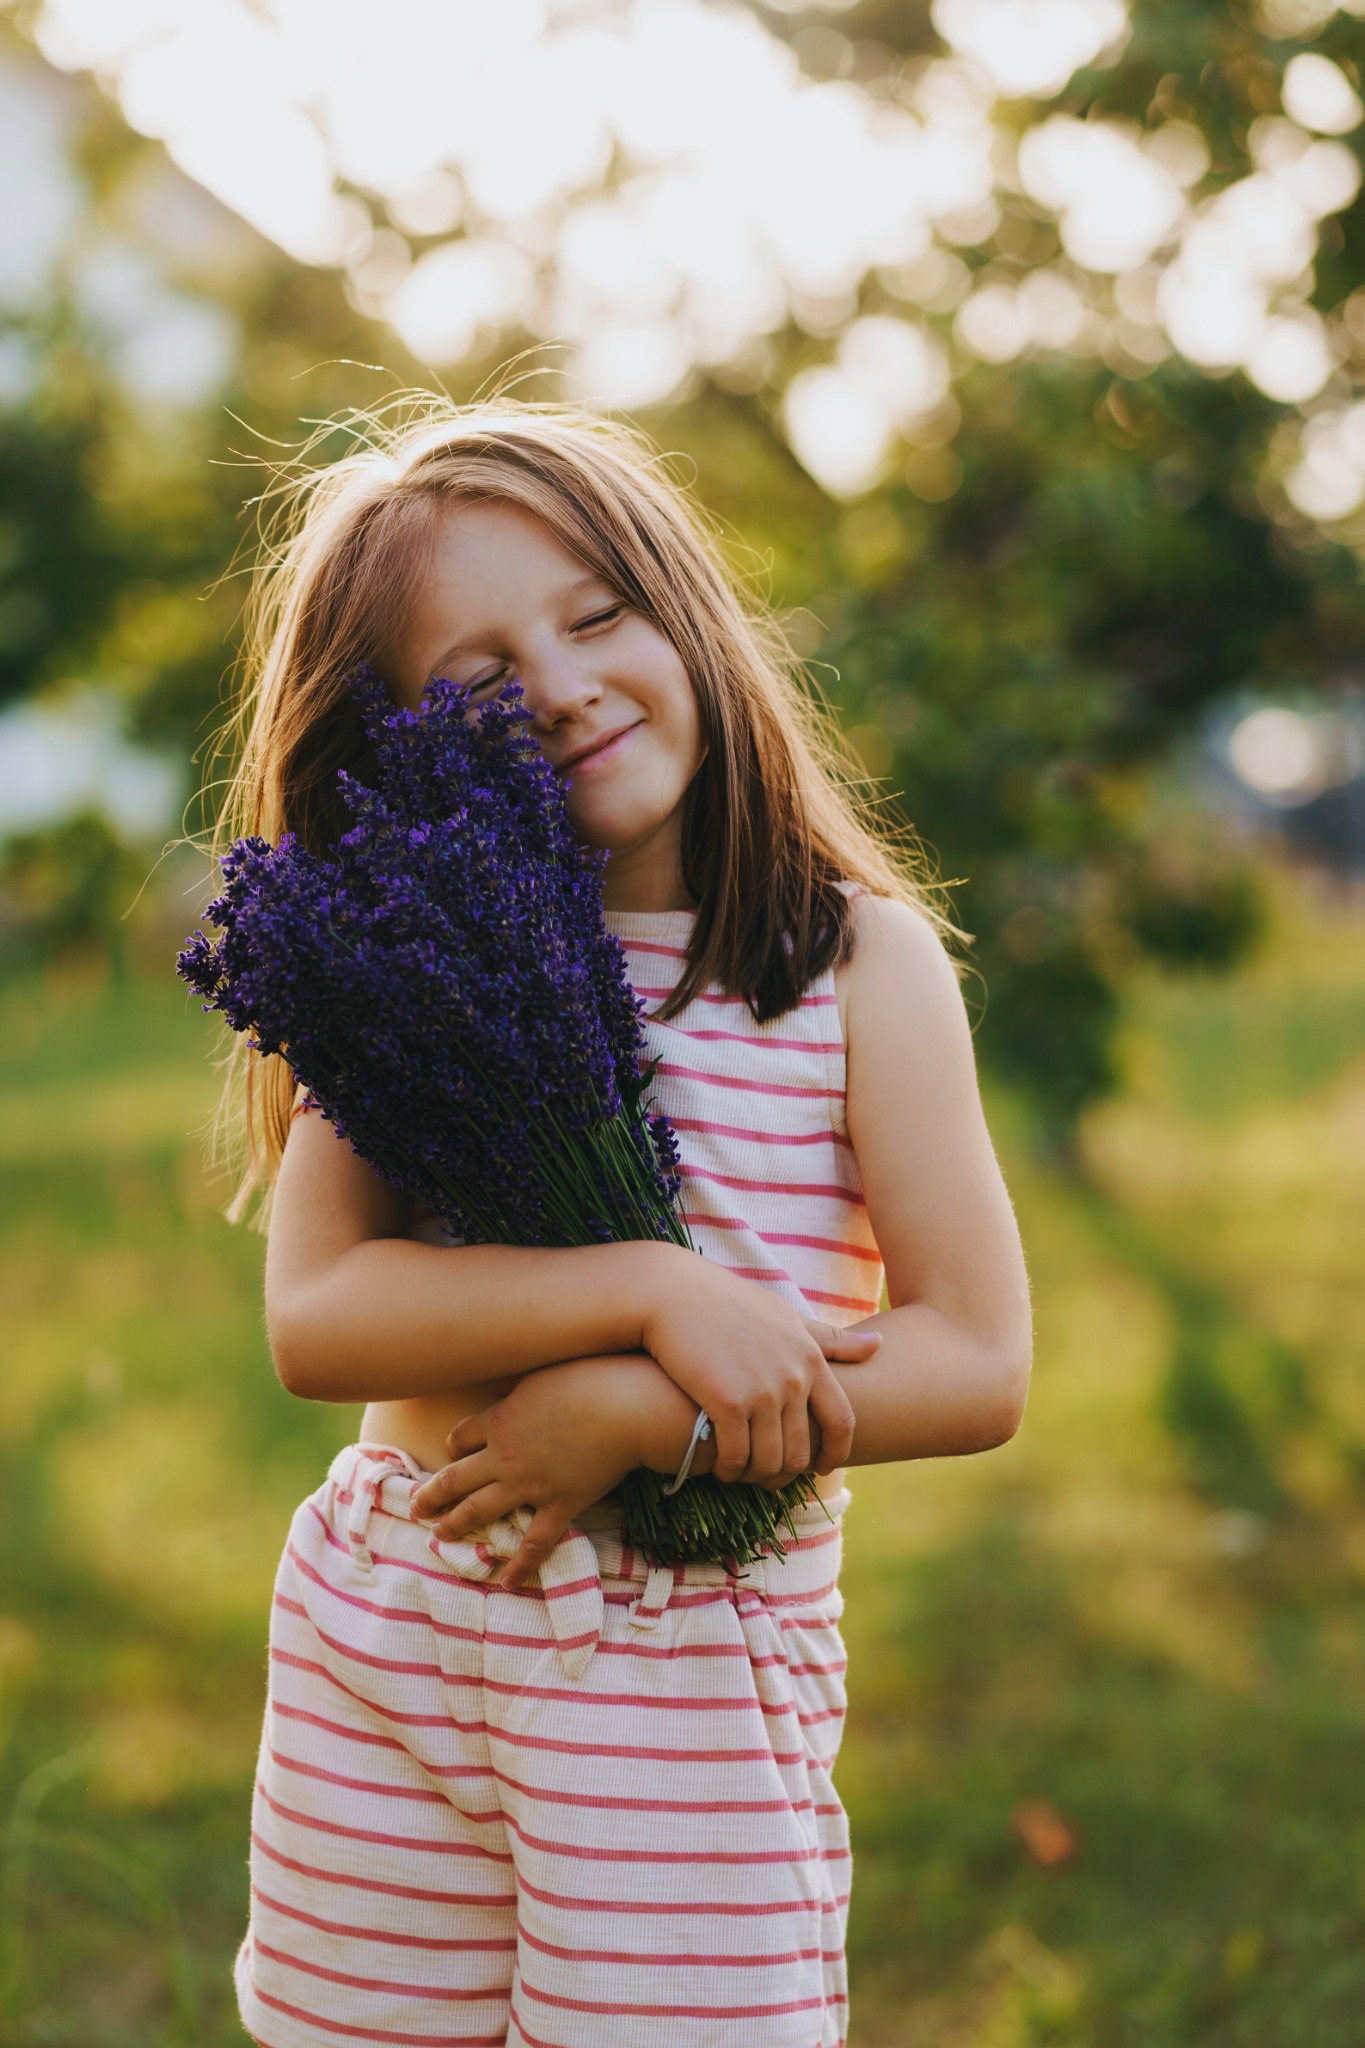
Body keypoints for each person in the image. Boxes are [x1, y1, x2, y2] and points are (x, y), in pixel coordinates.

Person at [214, 399, 1032, 2048]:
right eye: (480, 683)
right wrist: (649, 1284)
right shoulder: (401, 965)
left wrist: (637, 1412)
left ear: (684, 607)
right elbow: (321, 1317)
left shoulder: (849, 966)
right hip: (407, 1609)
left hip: (683, 1662)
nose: (567, 686)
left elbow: (974, 1359)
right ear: (397, 747)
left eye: (597, 615)